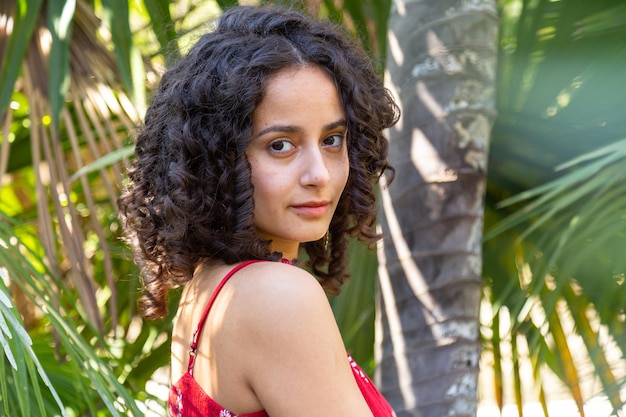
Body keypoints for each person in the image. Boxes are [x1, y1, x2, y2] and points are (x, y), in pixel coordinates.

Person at [118, 5, 399, 417]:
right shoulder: (276, 294)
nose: (319, 174)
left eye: (333, 139)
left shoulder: (212, 287)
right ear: (216, 160)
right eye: (280, 145)